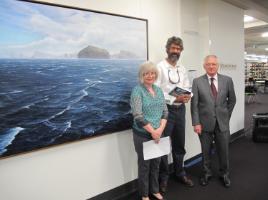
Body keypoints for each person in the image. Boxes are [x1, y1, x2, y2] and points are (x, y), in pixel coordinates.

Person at [190, 55, 236, 188]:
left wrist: (226, 116)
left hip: (222, 123)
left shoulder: (227, 80)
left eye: (214, 64)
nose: (211, 66)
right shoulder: (197, 82)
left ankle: (225, 174)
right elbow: (194, 105)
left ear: (218, 65)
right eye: (208, 64)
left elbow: (232, 100)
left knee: (224, 150)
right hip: (204, 124)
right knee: (205, 151)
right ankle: (206, 173)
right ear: (204, 66)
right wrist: (196, 122)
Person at [155, 36, 194, 193]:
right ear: (167, 49)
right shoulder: (159, 67)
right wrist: (174, 98)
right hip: (165, 111)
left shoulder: (182, 68)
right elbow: (156, 92)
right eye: (173, 48)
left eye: (178, 49)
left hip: (180, 110)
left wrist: (187, 96)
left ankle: (180, 173)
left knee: (179, 144)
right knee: (163, 146)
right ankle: (163, 178)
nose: (176, 51)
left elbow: (187, 86)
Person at [130, 61, 168, 200]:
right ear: (141, 75)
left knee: (156, 163)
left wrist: (160, 130)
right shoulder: (137, 91)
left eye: (152, 73)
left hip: (159, 133)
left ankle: (155, 190)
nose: (150, 76)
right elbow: (138, 116)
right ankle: (144, 194)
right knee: (145, 166)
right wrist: (153, 131)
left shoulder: (158, 90)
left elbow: (165, 112)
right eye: (146, 73)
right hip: (143, 134)